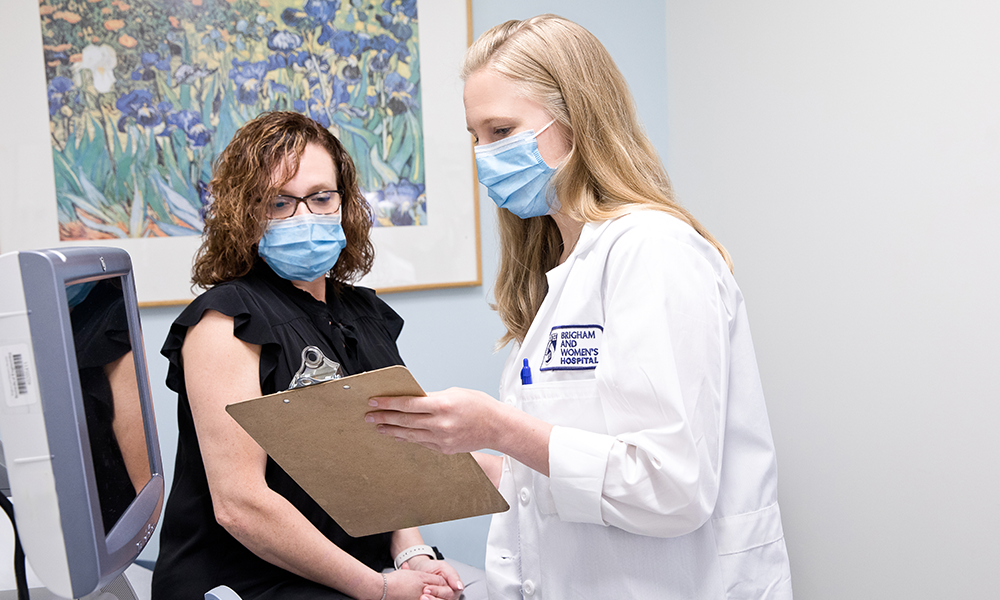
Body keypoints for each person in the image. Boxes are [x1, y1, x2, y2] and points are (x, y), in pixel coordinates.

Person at [365, 15, 793, 600]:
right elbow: (579, 464)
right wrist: (468, 460)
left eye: (501, 130)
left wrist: (500, 428)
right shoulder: (564, 268)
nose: (483, 155)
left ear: (576, 119)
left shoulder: (652, 251)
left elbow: (671, 487)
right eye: (475, 136)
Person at [151, 111, 478, 600]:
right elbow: (241, 504)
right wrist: (381, 590)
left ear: (343, 203)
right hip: (252, 578)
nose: (306, 217)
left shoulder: (363, 314)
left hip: (362, 570)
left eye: (322, 197)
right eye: (280, 203)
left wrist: (413, 555)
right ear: (247, 213)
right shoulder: (224, 323)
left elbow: (392, 463)